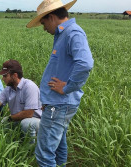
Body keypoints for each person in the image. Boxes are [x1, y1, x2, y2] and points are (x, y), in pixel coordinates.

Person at [26, 0, 94, 166]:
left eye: (43, 23)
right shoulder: (64, 34)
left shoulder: (73, 33)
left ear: (51, 17)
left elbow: (85, 64)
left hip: (60, 105)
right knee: (58, 146)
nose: (44, 28)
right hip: (57, 103)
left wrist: (67, 87)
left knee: (44, 153)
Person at [0, 60, 42, 139]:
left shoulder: (29, 86)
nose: (3, 79)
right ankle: (12, 143)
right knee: (1, 123)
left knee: (26, 124)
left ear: (14, 75)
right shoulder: (8, 89)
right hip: (18, 119)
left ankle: (30, 148)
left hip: (37, 120)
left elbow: (28, 114)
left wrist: (10, 118)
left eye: (5, 76)